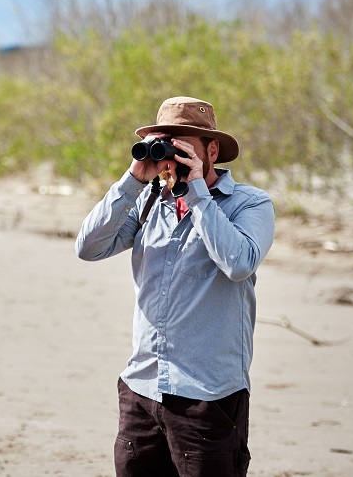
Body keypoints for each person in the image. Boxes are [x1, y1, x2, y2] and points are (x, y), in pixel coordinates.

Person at [75, 96, 275, 477]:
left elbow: (238, 264)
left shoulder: (249, 204)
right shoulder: (149, 202)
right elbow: (88, 247)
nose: (173, 154)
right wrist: (134, 177)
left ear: (211, 149)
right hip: (142, 389)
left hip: (207, 398)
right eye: (165, 143)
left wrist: (197, 190)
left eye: (183, 144)